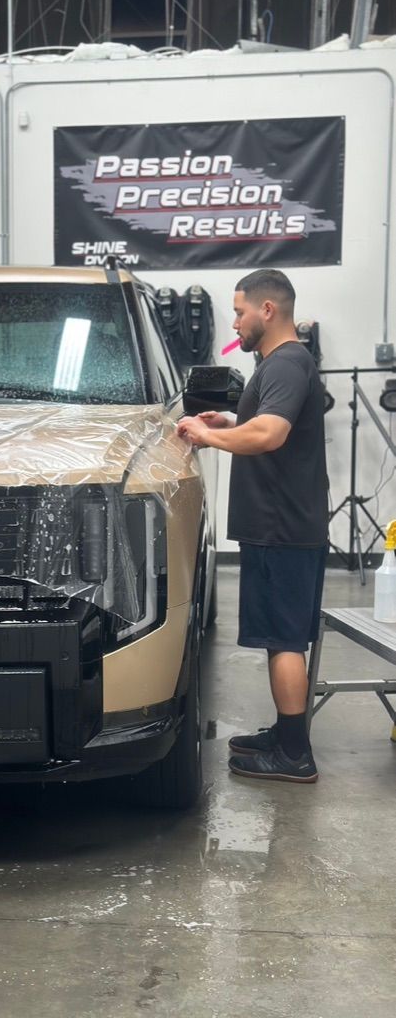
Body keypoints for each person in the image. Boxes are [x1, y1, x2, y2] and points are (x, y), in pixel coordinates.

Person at [177, 269, 328, 783]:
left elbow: (270, 433)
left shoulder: (286, 363)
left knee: (285, 640)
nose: (234, 321)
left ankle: (294, 755)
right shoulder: (279, 364)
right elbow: (257, 423)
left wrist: (205, 433)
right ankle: (285, 732)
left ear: (268, 311)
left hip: (281, 527)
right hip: (281, 525)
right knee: (279, 638)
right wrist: (227, 421)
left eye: (240, 311)